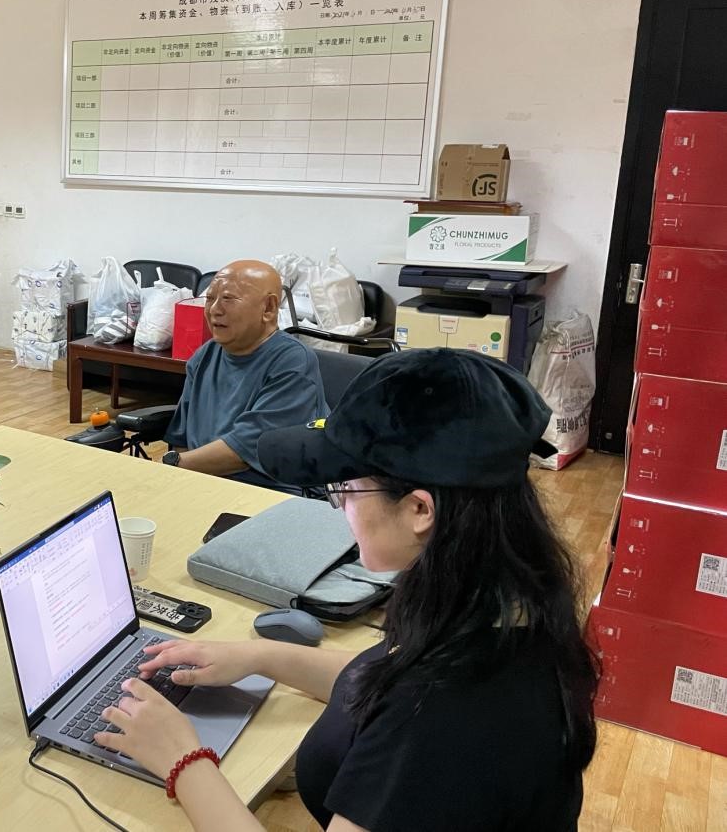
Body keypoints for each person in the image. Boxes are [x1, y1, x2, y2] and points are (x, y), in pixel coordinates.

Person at [96, 348, 599, 832]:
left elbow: (414, 704)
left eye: (346, 489)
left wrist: (184, 761)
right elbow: (386, 669)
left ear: (420, 510)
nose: (340, 508)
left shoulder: (442, 718)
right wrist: (257, 657)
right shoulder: (498, 605)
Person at [161, 259, 327, 493]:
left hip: (266, 492)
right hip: (202, 480)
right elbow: (181, 439)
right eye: (210, 299)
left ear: (268, 308)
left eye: (228, 299)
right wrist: (181, 480)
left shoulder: (292, 361)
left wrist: (171, 468)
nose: (214, 310)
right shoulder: (205, 355)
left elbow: (243, 452)